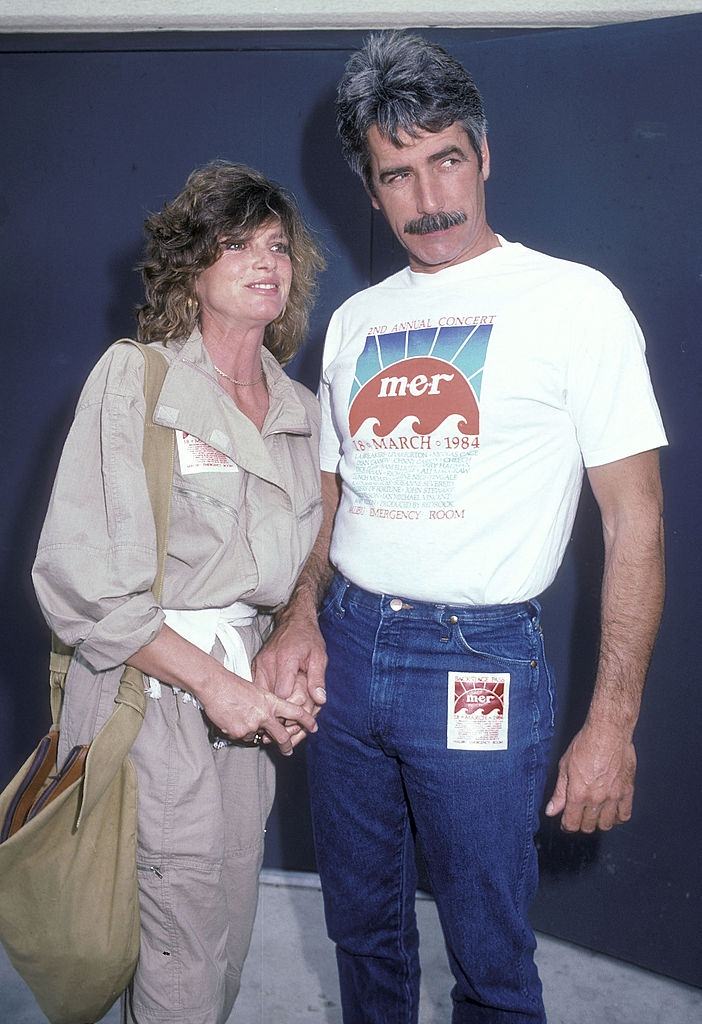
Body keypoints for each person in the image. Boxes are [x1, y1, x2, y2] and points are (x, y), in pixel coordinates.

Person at [253, 33, 667, 1024]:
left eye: (446, 160)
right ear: (371, 184)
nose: (427, 197)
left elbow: (636, 518)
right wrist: (301, 616)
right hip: (350, 652)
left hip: (476, 662)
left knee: (488, 946)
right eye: (397, 174)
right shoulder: (355, 324)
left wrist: (612, 724)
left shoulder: (573, 303)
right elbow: (329, 499)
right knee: (362, 925)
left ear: (485, 156)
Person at [32, 161, 326, 1024]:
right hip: (153, 693)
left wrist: (290, 651)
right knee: (178, 943)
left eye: (277, 245)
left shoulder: (299, 408)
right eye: (236, 244)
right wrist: (215, 683)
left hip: (244, 701)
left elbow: (295, 569)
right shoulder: (139, 380)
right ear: (192, 267)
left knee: (227, 931)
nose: (264, 261)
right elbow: (81, 583)